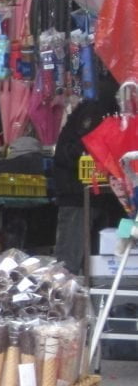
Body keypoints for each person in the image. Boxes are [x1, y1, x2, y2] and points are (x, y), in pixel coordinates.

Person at [53, 76, 122, 275]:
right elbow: (77, 149)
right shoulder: (98, 109)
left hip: (92, 193)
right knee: (74, 262)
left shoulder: (99, 106)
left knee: (87, 260)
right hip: (80, 192)